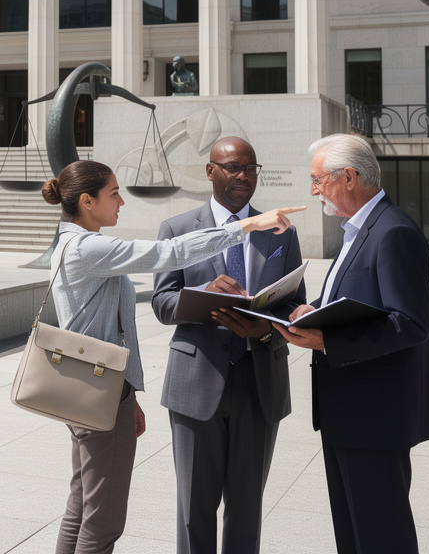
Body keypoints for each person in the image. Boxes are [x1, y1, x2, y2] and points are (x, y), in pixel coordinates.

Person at [42, 160, 303, 553]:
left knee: (81, 508)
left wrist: (130, 394)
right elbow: (169, 253)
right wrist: (246, 226)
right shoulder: (88, 247)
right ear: (87, 201)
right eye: (113, 194)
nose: (121, 202)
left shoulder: (69, 243)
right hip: (101, 395)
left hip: (94, 390)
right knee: (102, 523)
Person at [278, 133, 429, 554]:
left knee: (381, 536)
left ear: (348, 177)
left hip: (375, 416)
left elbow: (409, 323)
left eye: (318, 180)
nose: (314, 192)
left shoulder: (392, 232)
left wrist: (326, 340)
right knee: (353, 534)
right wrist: (312, 310)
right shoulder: (359, 228)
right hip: (346, 412)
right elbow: (358, 296)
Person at [152, 138, 306, 554]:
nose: (244, 176)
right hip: (197, 382)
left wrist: (268, 329)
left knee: (247, 506)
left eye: (251, 168)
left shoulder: (280, 231)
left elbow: (293, 300)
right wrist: (204, 291)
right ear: (210, 171)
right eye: (234, 167)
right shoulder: (178, 230)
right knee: (194, 507)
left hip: (260, 382)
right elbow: (162, 304)